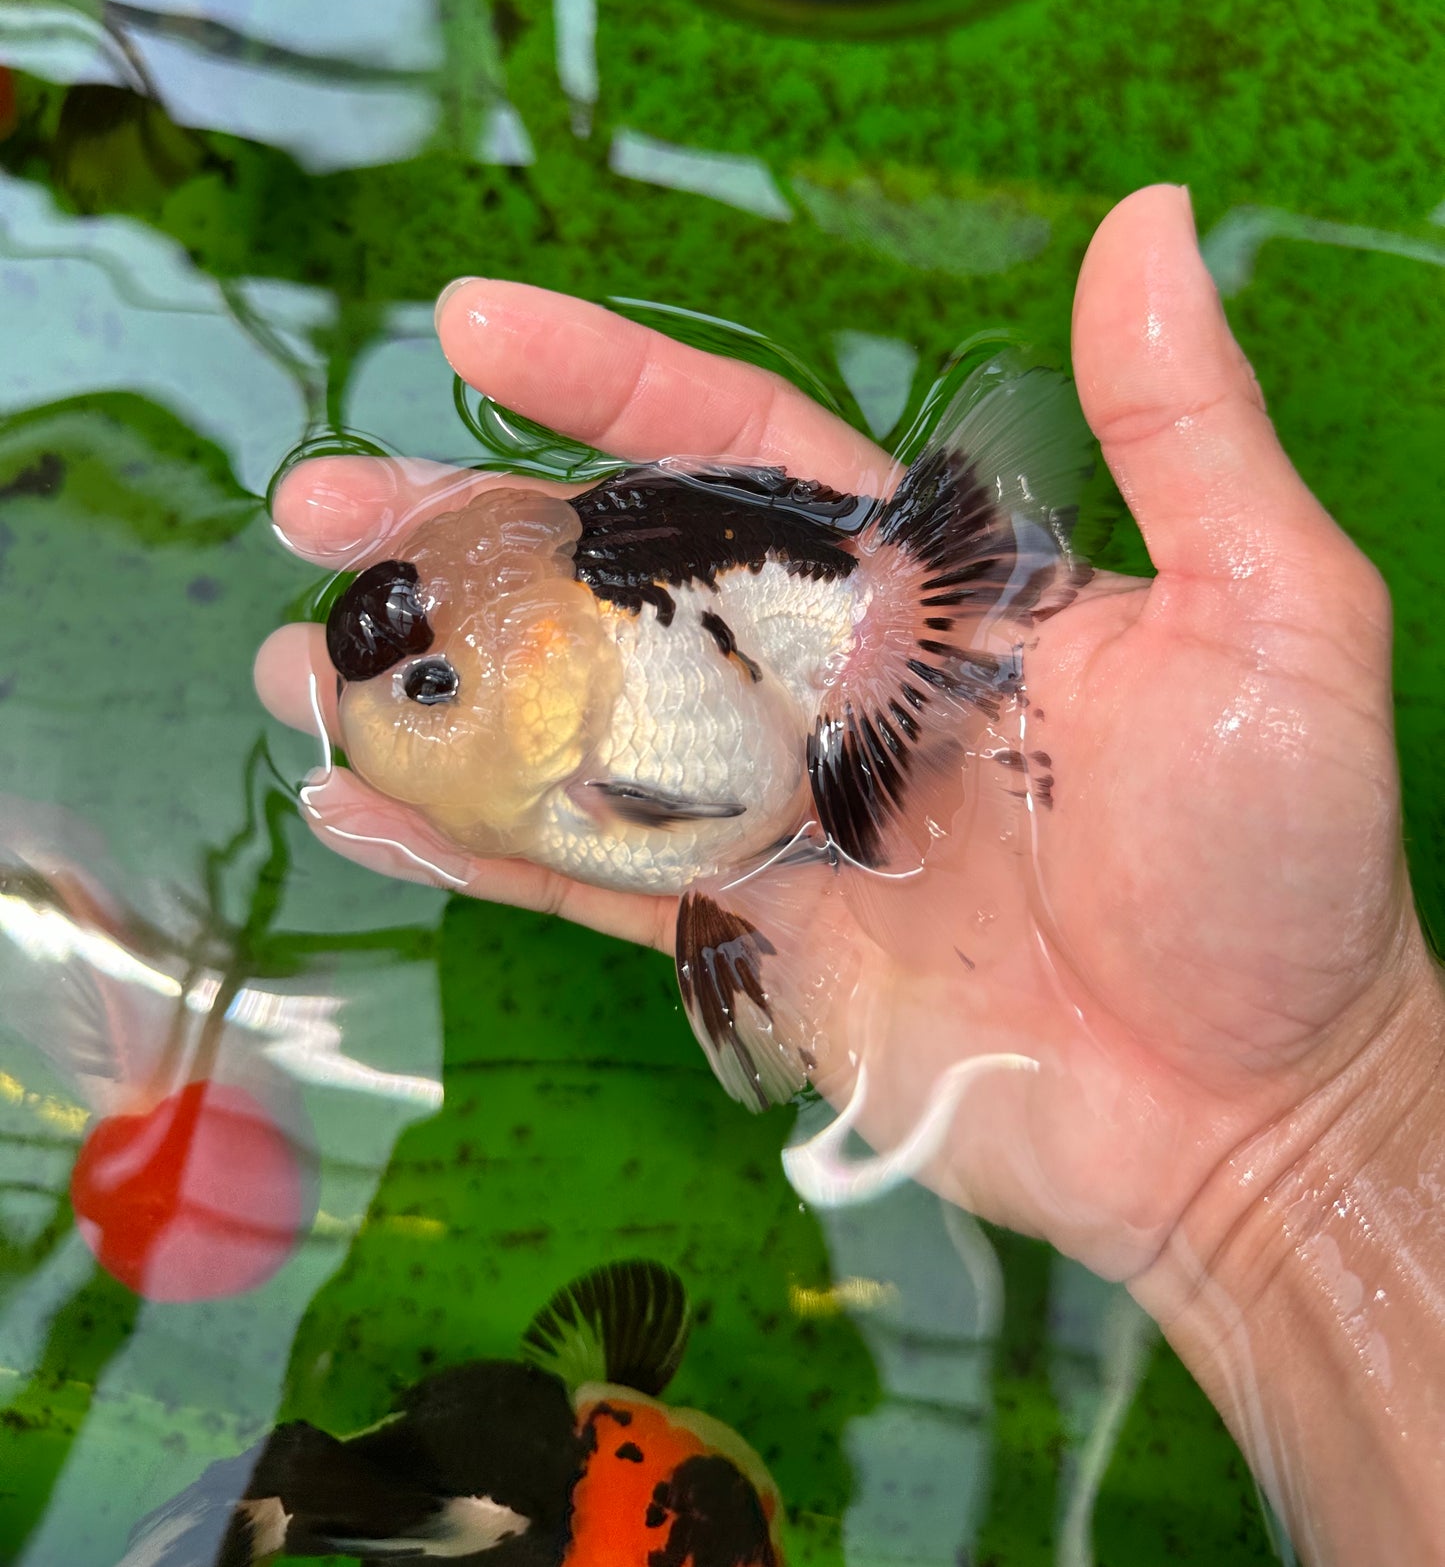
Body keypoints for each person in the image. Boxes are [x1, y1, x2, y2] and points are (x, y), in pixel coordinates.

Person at [255, 184, 1445, 1565]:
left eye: (440, 688)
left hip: (792, 682)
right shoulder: (568, 744)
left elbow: (712, 772)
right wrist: (1326, 1146)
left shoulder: (617, 754)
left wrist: (1322, 1126)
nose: (407, 720)